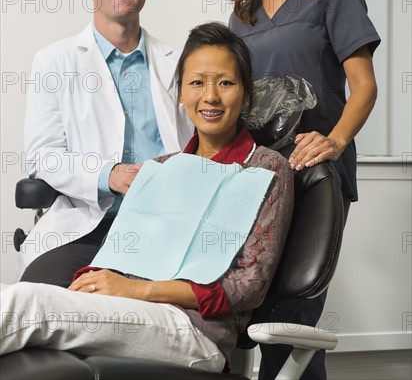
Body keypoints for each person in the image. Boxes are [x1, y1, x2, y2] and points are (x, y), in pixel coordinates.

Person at [1, 22, 294, 373]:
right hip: (132, 312)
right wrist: (93, 283)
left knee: (25, 304)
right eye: (197, 83)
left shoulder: (266, 168)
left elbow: (249, 287)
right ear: (181, 94)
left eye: (226, 83)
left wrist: (136, 291)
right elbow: (120, 252)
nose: (211, 96)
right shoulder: (161, 169)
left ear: (246, 94)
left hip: (195, 330)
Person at [225, 0, 381, 380]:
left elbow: (364, 87)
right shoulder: (242, 15)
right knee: (252, 313)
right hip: (257, 181)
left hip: (315, 175)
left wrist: (335, 140)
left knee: (293, 317)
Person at [18, 0, 192, 288]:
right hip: (88, 227)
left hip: (165, 230)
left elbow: (200, 148)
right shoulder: (54, 61)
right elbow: (43, 158)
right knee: (36, 303)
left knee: (174, 314)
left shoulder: (179, 64)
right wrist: (108, 175)